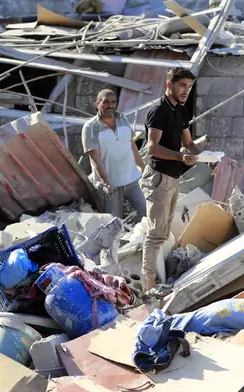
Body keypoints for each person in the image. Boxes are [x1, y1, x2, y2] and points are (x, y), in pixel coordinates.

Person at [140, 67, 207, 291]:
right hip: (159, 177)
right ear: (169, 85)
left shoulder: (181, 110)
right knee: (156, 232)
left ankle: (155, 276)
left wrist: (205, 155)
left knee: (164, 230)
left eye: (189, 86)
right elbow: (152, 148)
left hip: (173, 176)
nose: (186, 90)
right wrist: (181, 156)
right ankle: (148, 282)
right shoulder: (159, 110)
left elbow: (189, 143)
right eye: (182, 85)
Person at [81, 89, 147, 220]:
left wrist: (143, 167)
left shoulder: (123, 119)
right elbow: (95, 158)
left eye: (113, 102)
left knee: (146, 212)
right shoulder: (90, 127)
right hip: (111, 185)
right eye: (105, 102)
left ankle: (137, 238)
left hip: (131, 179)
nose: (110, 105)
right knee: (113, 222)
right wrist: (106, 183)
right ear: (97, 104)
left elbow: (131, 144)